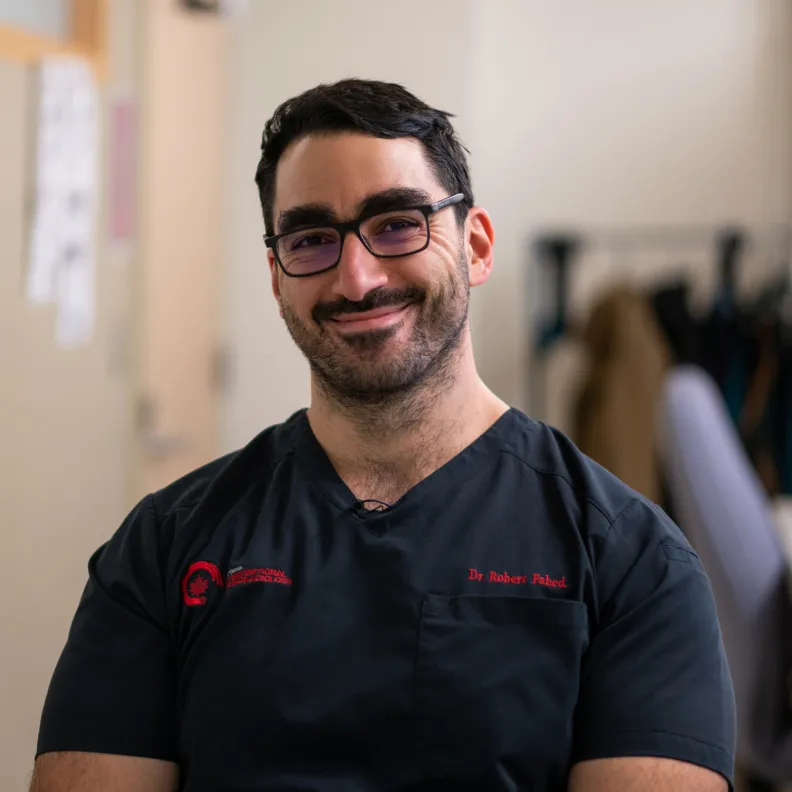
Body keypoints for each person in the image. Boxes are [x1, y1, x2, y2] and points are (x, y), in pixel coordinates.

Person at [30, 79, 735, 792]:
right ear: (277, 279)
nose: (357, 277)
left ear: (477, 246)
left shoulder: (631, 562)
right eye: (310, 240)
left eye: (397, 223)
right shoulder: (162, 549)